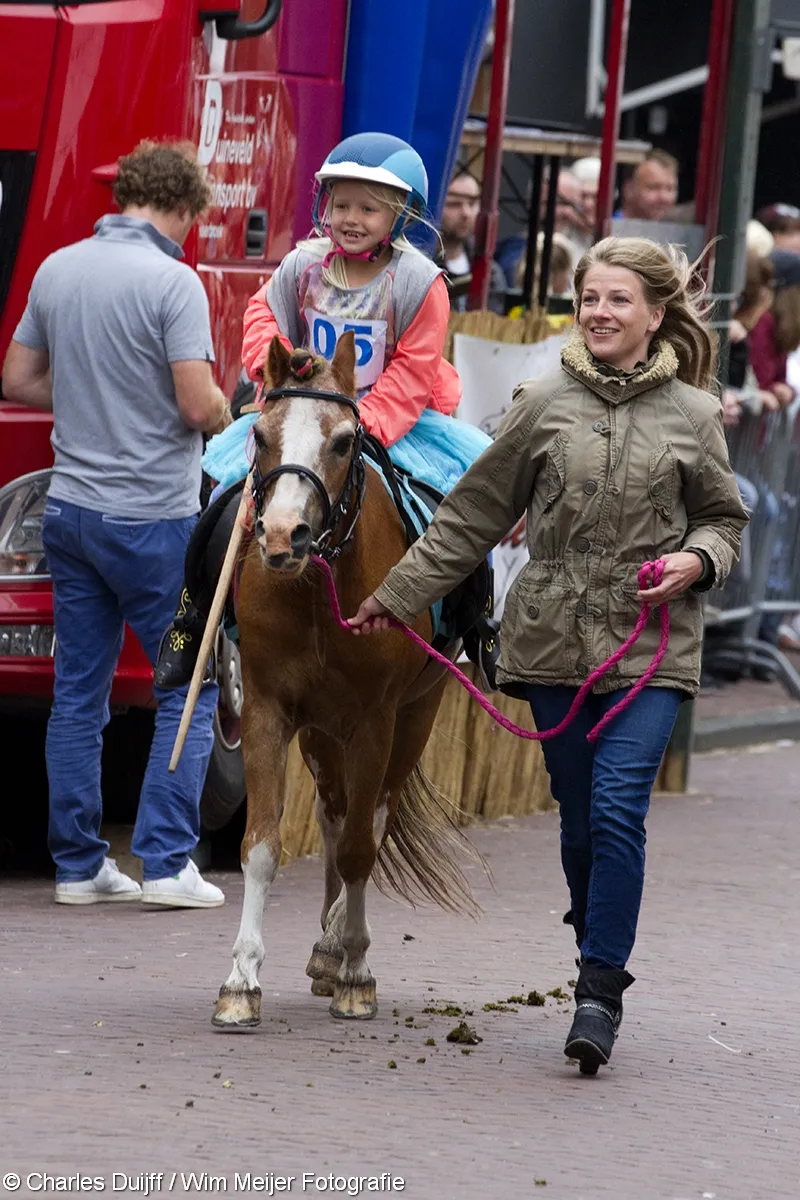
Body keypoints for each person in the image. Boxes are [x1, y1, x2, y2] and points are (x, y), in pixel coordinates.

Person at [348, 236, 748, 1074]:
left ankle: (600, 991)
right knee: (577, 820)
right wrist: (395, 593)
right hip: (551, 638)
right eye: (589, 300)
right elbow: (472, 516)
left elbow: (725, 519)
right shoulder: (541, 401)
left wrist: (697, 560)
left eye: (618, 301)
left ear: (655, 314)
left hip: (650, 644)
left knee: (615, 810)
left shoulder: (696, 414)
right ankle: (592, 939)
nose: (600, 314)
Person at [154, 132, 492, 689]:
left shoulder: (419, 282)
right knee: (218, 496)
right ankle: (192, 620)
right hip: (302, 417)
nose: (350, 218)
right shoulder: (300, 265)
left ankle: (475, 622)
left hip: (391, 420)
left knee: (451, 511)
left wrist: (365, 425)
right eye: (340, 205)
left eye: (367, 208)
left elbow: (415, 367)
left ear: (401, 213)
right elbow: (263, 320)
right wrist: (279, 366)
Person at [1, 140, 229, 908]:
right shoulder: (175, 281)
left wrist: (96, 404)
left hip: (69, 513)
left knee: (78, 696)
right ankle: (165, 862)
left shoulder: (58, 267)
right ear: (186, 208)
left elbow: (18, 377)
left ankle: (77, 868)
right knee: (187, 684)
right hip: (152, 521)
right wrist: (237, 414)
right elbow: (198, 406)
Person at [438, 169, 506, 314]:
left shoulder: (491, 274)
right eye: (455, 204)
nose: (466, 213)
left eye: (472, 203)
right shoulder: (423, 269)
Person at [616, 150, 679, 223]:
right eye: (654, 187)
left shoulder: (676, 231)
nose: (664, 197)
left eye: (670, 189)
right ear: (629, 190)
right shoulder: (608, 230)